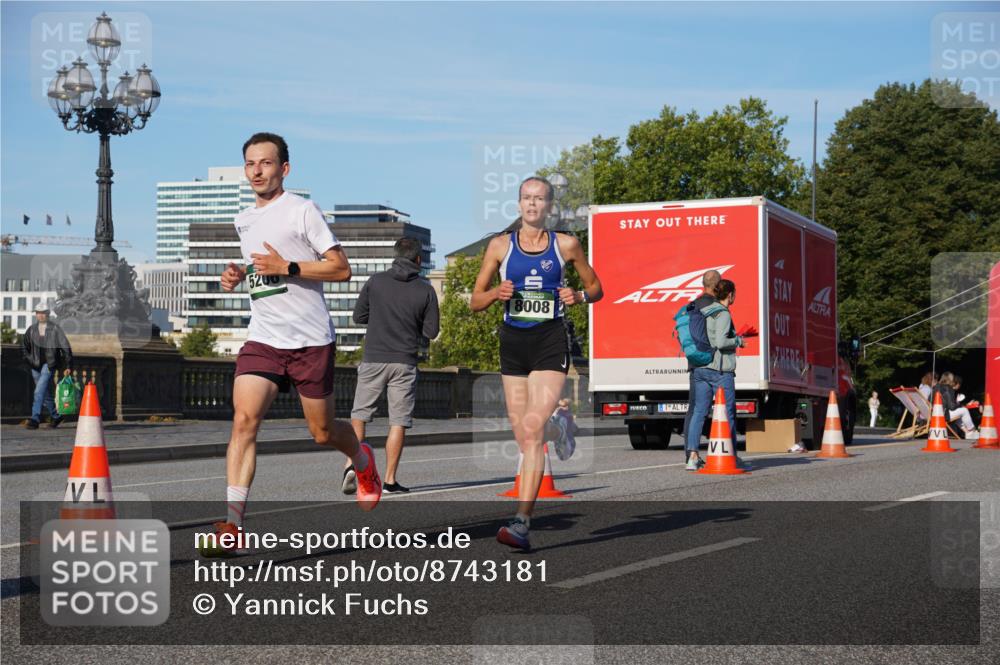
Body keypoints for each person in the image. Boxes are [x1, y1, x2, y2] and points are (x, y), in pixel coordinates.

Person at [204, 132, 380, 556]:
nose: (257, 171)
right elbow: (259, 268)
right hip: (263, 337)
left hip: (309, 339)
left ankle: (362, 458)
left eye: (265, 163)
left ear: (284, 168)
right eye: (250, 164)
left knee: (321, 433)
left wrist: (290, 267)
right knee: (244, 421)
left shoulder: (303, 211)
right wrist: (238, 275)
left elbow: (341, 270)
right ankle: (234, 523)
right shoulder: (243, 220)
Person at [471, 176, 602, 550]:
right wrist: (497, 292)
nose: (532, 205)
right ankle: (560, 427)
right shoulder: (499, 246)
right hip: (513, 344)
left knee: (530, 428)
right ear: (518, 205)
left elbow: (597, 288)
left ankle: (521, 522)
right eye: (527, 199)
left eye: (539, 199)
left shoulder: (566, 245)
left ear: (549, 207)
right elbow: (475, 301)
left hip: (549, 341)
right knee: (524, 435)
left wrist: (577, 294)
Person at [341, 237, 439, 495]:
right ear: (418, 259)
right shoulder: (425, 290)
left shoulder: (375, 282)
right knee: (398, 422)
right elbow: (431, 332)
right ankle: (390, 480)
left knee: (360, 414)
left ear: (395, 256)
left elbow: (358, 316)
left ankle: (352, 464)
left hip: (374, 357)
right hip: (404, 361)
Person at [684, 279, 751, 470]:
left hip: (700, 368)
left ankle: (693, 456)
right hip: (719, 371)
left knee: (699, 412)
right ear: (730, 294)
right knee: (728, 413)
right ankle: (731, 456)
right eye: (734, 293)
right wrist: (738, 341)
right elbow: (721, 342)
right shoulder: (723, 314)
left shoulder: (705, 310)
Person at [682, 270, 721, 470]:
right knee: (724, 408)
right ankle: (728, 453)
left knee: (694, 409)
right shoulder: (715, 307)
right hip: (712, 363)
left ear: (702, 284)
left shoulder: (693, 305)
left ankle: (691, 454)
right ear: (718, 285)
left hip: (694, 362)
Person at [21, 302, 73, 429]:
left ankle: (35, 419)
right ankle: (56, 416)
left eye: (43, 313)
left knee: (39, 391)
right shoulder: (31, 329)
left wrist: (68, 365)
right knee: (44, 393)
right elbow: (24, 348)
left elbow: (65, 347)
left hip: (49, 365)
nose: (40, 315)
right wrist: (30, 361)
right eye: (38, 313)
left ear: (48, 314)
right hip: (35, 365)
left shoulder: (55, 329)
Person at [932, 372, 977, 439]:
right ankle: (972, 430)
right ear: (951, 379)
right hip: (943, 414)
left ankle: (967, 432)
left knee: (959, 413)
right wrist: (960, 404)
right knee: (964, 410)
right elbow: (952, 407)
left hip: (934, 413)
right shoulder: (948, 388)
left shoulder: (935, 387)